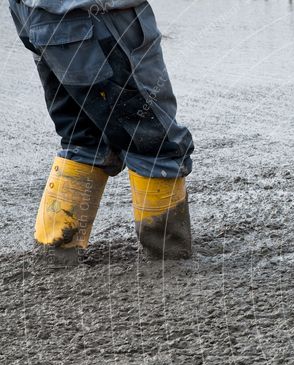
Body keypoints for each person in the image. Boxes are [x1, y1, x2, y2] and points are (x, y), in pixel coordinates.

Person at [8, 0, 194, 260]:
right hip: (95, 16)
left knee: (85, 137)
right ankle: (170, 260)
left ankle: (57, 255)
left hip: (38, 14)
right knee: (152, 140)